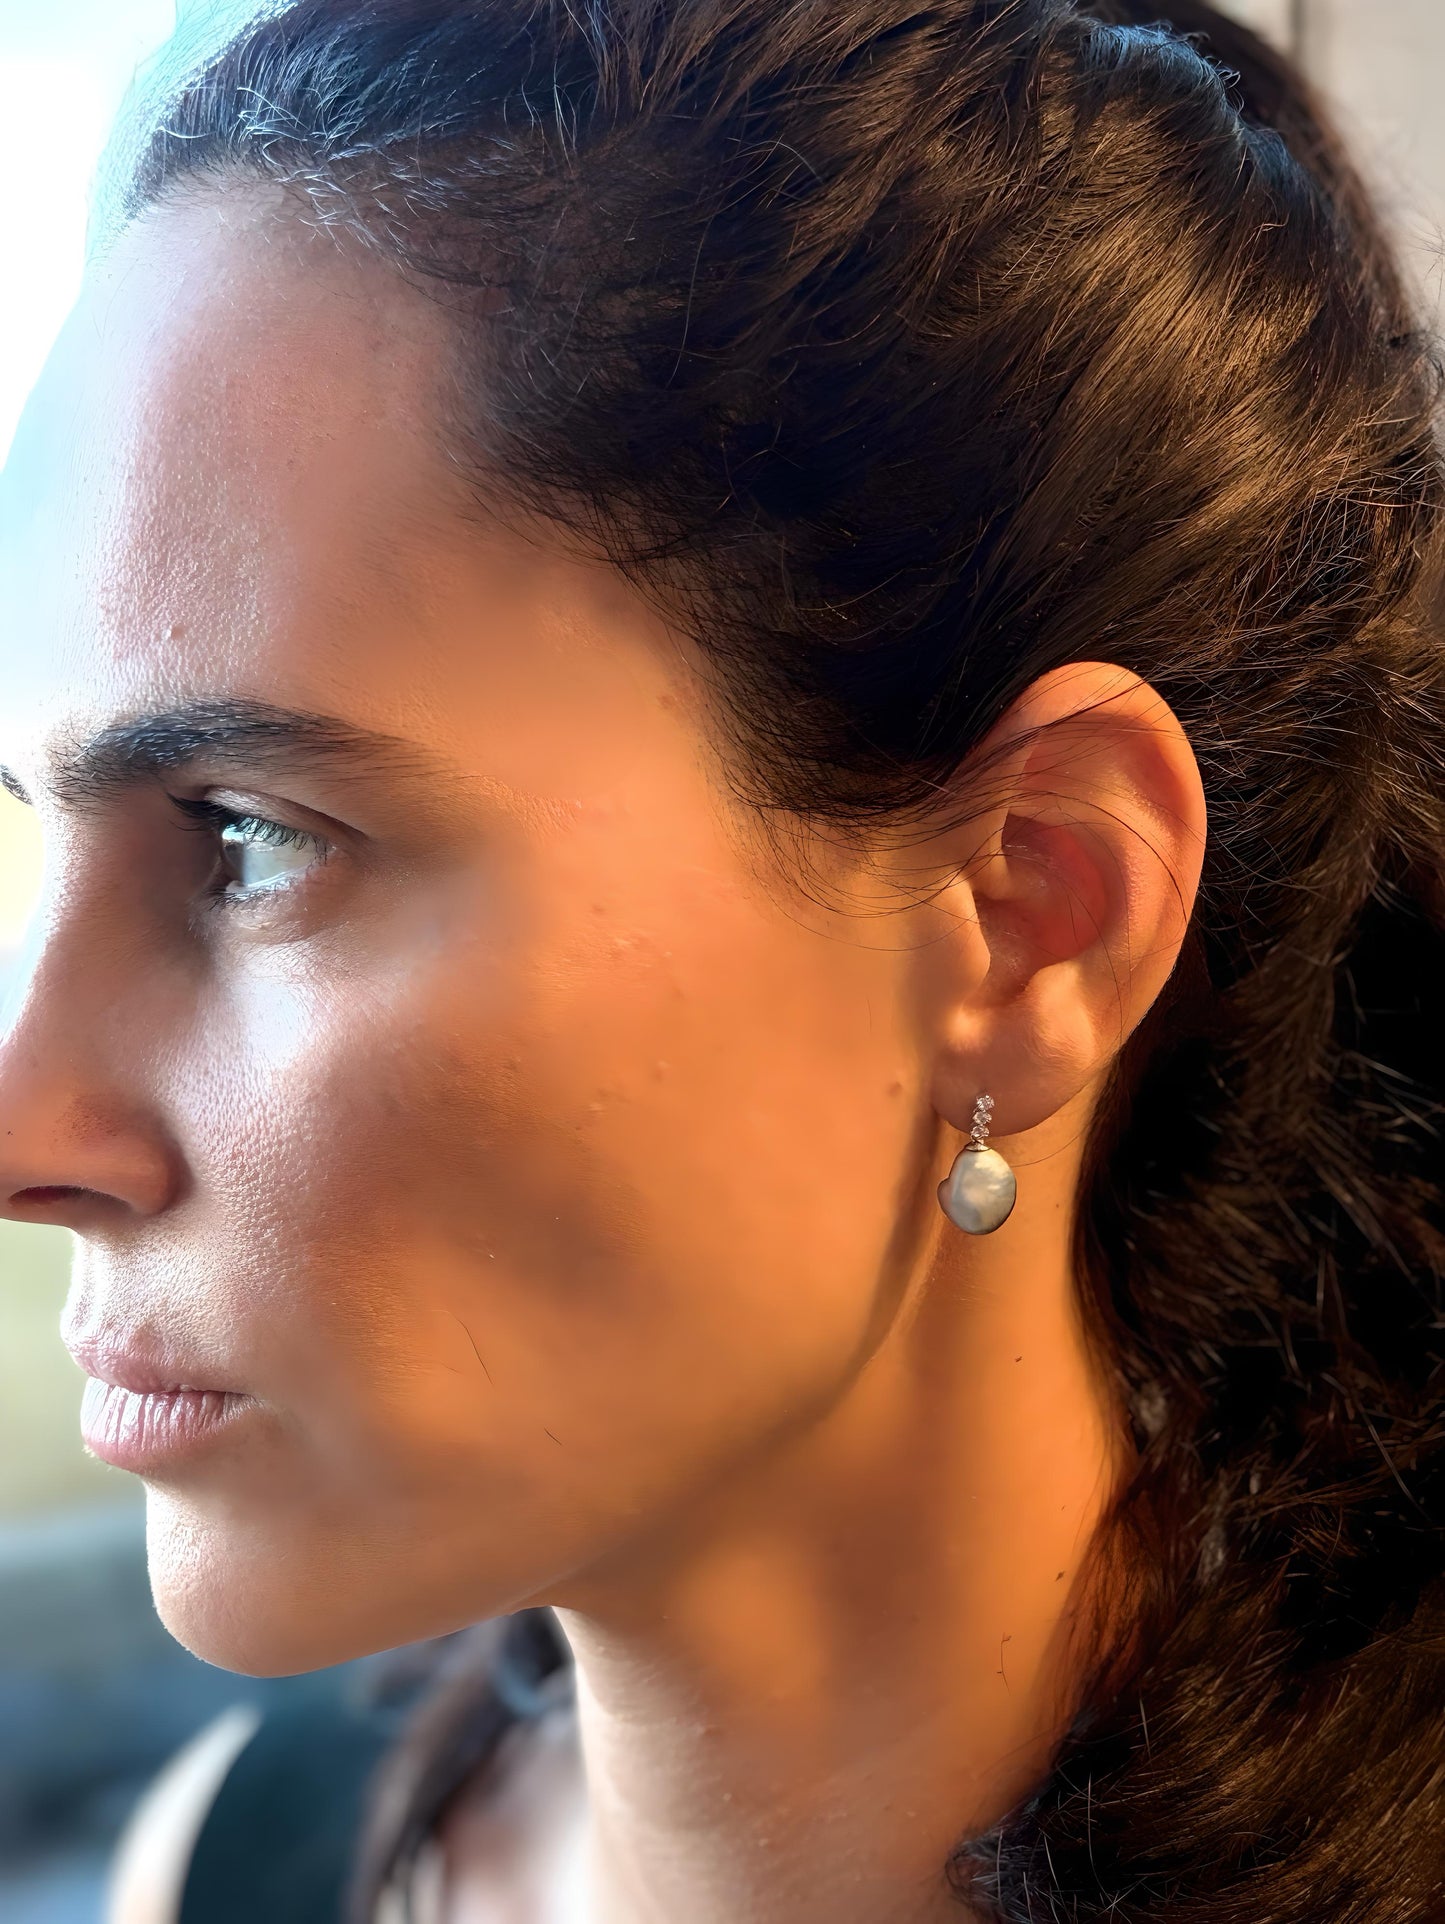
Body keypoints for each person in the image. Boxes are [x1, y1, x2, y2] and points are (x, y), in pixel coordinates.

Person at [1, 0, 1441, 1918]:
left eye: (253, 841)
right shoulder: (232, 1863)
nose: (27, 1128)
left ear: (1031, 911)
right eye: (32, 831)